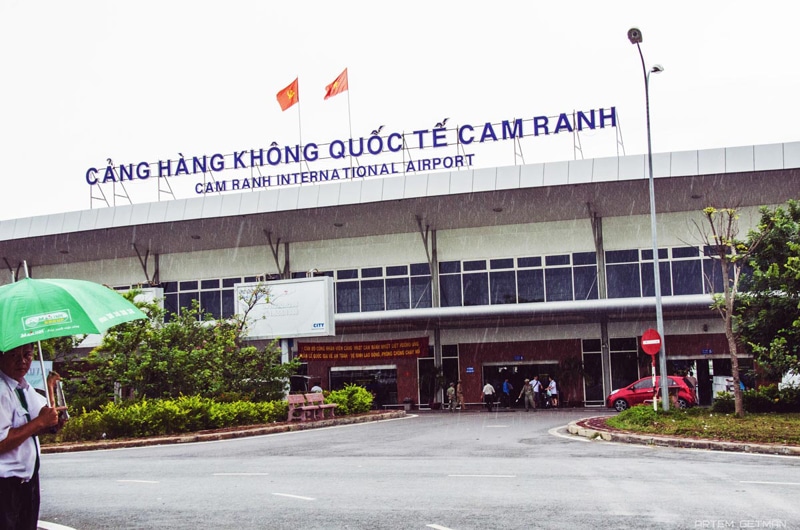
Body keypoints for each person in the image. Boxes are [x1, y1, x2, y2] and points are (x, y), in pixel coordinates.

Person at [1, 343, 66, 530]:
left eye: (27, 355)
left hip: (27, 481)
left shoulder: (23, 386)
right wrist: (39, 422)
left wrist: (50, 424)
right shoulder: (2, 391)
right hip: (6, 486)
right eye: (14, 355)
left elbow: (33, 426)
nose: (22, 361)